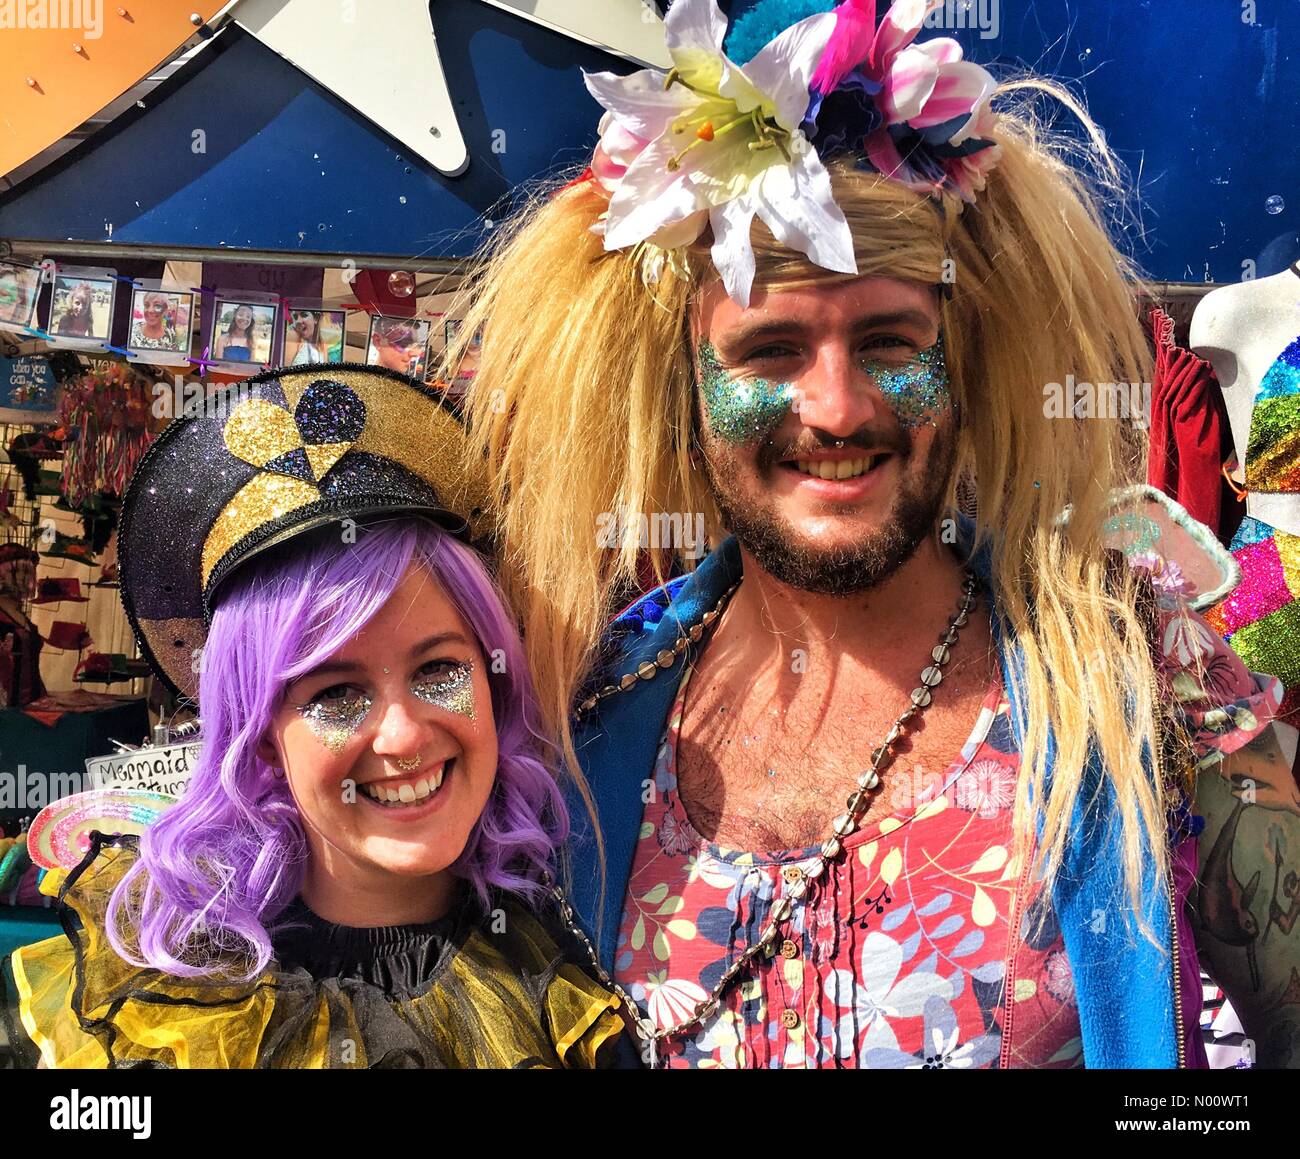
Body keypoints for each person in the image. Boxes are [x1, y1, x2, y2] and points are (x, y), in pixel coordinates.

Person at [448, 0, 1299, 1067]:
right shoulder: (583, 712)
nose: (839, 409)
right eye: (769, 351)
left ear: (963, 361)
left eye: (891, 340)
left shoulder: (1136, 677)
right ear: (688, 384)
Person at [2, 362, 624, 1068]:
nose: (403, 734)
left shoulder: (584, 966)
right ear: (261, 735)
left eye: (439, 670)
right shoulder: (163, 1007)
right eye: (334, 694)